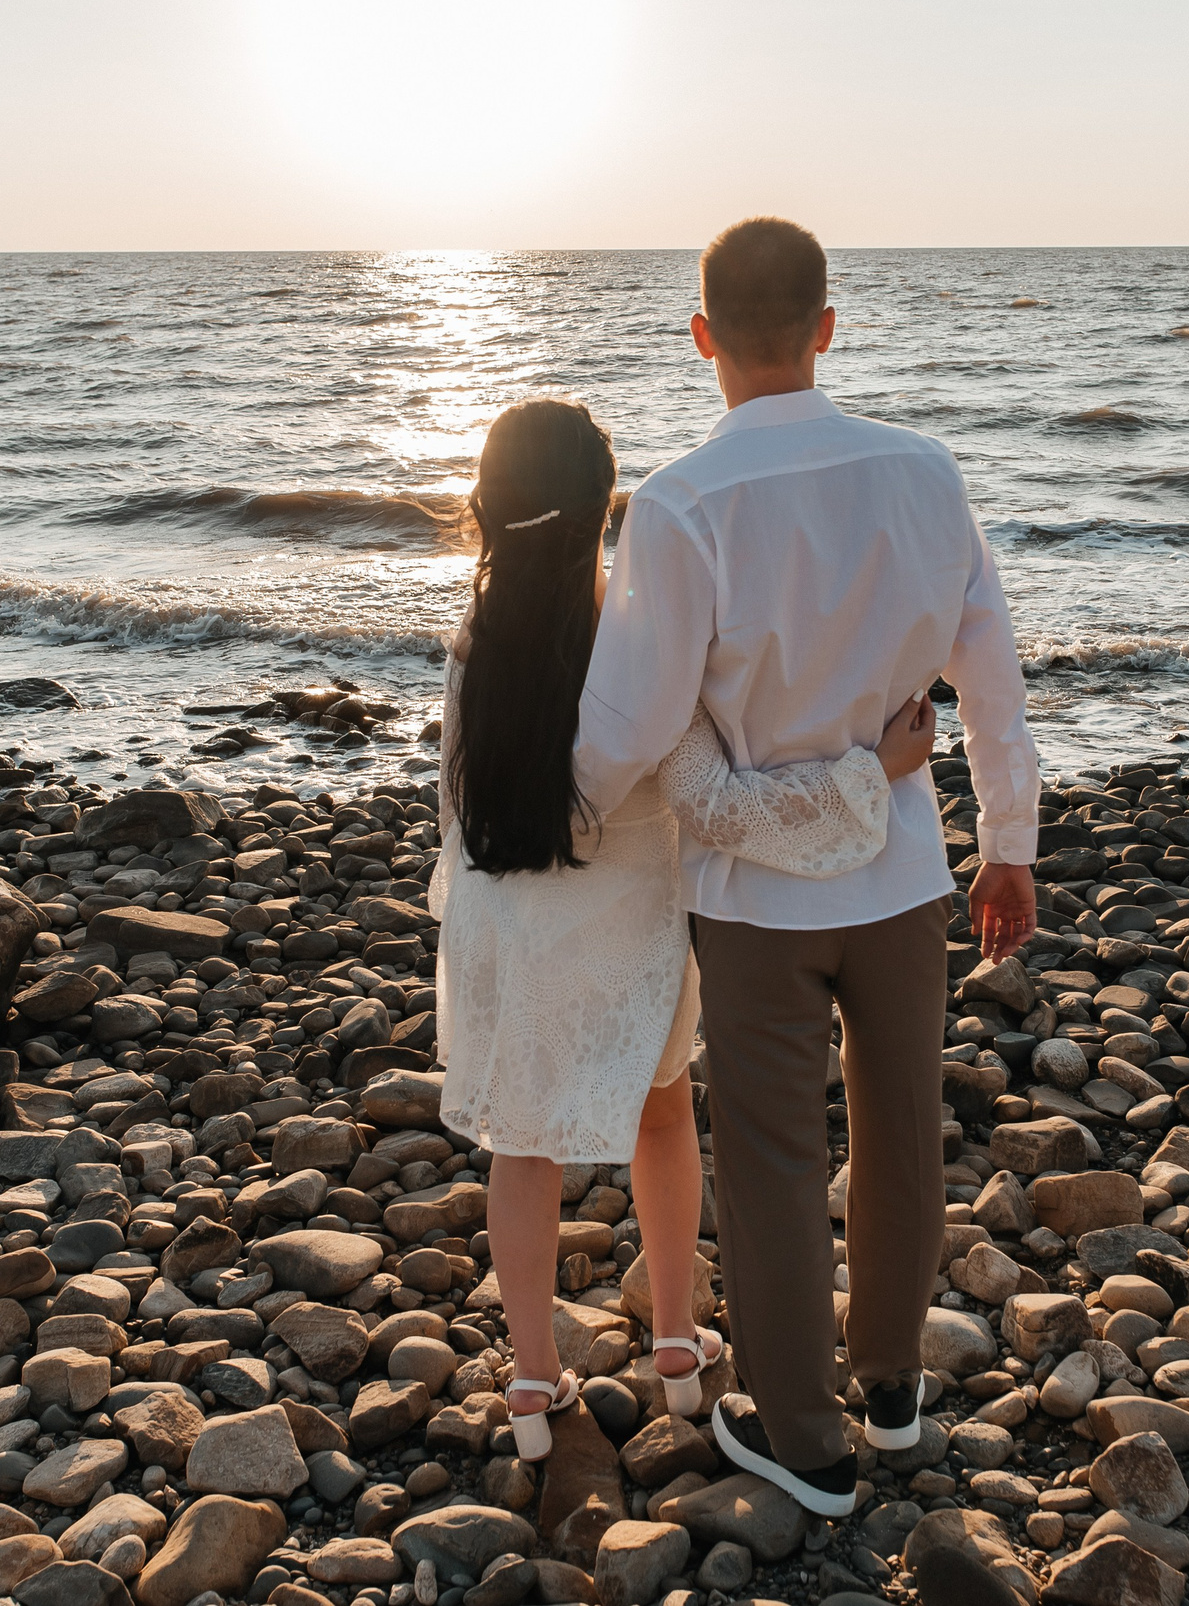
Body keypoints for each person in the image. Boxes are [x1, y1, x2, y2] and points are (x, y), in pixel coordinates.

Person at [573, 217, 1039, 1516]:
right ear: (829, 328)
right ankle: (891, 1392)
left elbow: (632, 721)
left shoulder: (679, 504)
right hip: (900, 879)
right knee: (901, 1133)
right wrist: (1011, 845)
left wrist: (548, 831)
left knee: (775, 1158)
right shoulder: (927, 473)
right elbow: (990, 680)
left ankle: (805, 1440)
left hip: (757, 900)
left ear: (703, 336)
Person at [429, 397, 939, 1461]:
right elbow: (717, 803)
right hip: (628, 927)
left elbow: (459, 803)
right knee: (665, 1116)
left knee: (522, 1145)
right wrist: (869, 773)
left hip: (510, 914)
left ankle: (531, 1382)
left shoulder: (476, 637)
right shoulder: (636, 639)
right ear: (605, 507)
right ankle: (672, 1342)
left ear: (490, 505)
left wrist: (468, 914)